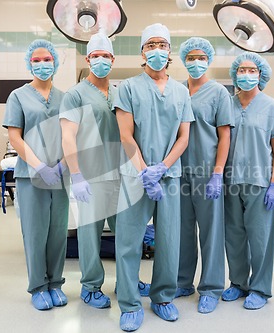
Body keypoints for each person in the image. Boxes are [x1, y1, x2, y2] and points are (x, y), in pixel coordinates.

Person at [114, 23, 194, 331]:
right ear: (142, 52)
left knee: (169, 240)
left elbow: (184, 137)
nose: (157, 50)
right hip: (136, 175)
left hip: (169, 175)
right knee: (129, 240)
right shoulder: (129, 88)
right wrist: (145, 170)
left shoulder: (180, 91)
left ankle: (162, 297)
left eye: (162, 45)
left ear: (170, 51)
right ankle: (130, 302)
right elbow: (125, 135)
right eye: (151, 45)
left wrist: (162, 167)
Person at [2, 39, 69, 311]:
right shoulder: (18, 96)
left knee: (57, 233)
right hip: (31, 176)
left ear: (55, 62)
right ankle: (38, 287)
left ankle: (55, 283)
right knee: (35, 232)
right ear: (30, 64)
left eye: (47, 60)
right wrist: (39, 165)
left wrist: (63, 165)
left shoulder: (65, 98)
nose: (42, 65)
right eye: (37, 60)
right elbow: (14, 135)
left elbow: (71, 136)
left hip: (60, 175)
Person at [223, 52, 274, 310]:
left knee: (260, 237)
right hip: (231, 182)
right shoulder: (226, 104)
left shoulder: (272, 107)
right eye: (241, 70)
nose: (246, 75)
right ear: (235, 75)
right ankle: (238, 283)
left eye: (252, 71)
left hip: (260, 182)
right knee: (234, 236)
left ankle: (260, 288)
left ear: (261, 75)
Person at [59, 32, 121, 309]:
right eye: (96, 56)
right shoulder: (75, 95)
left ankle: (127, 280)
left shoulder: (120, 93)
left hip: (120, 175)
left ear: (113, 59)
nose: (101, 61)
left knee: (127, 232)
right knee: (89, 235)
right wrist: (77, 175)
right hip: (91, 176)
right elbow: (68, 137)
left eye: (105, 56)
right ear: (88, 59)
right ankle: (91, 286)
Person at [175, 37, 233, 314]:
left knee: (211, 232)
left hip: (207, 170)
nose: (196, 62)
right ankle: (183, 281)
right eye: (191, 58)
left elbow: (225, 135)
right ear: (183, 60)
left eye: (201, 57)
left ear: (208, 60)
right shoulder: (176, 90)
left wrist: (217, 173)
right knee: (183, 230)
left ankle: (210, 288)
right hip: (179, 170)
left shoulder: (219, 93)